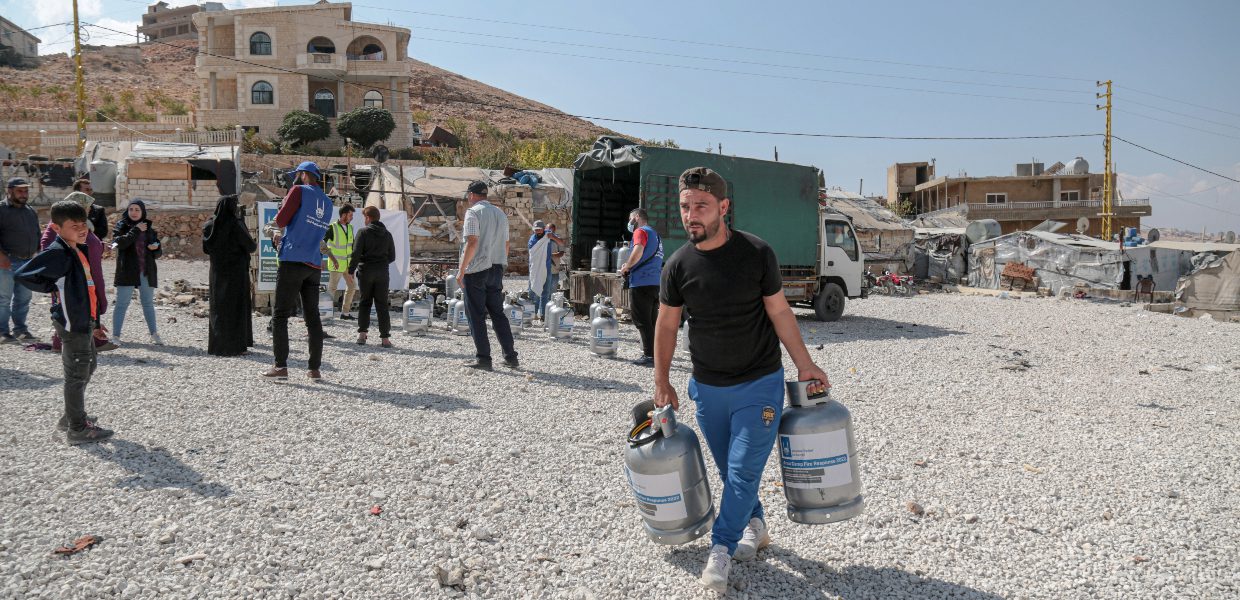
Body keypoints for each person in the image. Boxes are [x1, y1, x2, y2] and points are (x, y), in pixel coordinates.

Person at [653, 167, 830, 593]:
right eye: (684, 207)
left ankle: (720, 547)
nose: (691, 215)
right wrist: (662, 381)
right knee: (734, 474)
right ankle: (757, 525)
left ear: (724, 208)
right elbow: (666, 325)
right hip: (708, 389)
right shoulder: (677, 265)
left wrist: (805, 365)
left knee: (741, 472)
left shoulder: (757, 253)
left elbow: (780, 312)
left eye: (701, 206)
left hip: (759, 384)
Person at [14, 200, 113, 443]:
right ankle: (77, 429)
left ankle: (72, 417)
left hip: (84, 321)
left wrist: (95, 321)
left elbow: (87, 289)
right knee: (76, 374)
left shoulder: (78, 249)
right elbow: (23, 274)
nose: (82, 230)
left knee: (88, 366)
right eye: (74, 226)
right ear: (57, 228)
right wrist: (52, 288)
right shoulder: (58, 253)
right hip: (72, 325)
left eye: (84, 225)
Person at [263, 161, 332, 381]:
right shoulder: (328, 202)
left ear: (303, 175)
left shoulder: (298, 190)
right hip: (313, 263)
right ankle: (314, 369)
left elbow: (282, 219)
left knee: (280, 314)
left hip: (292, 258)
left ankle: (280, 367)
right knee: (312, 317)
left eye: (298, 175)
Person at [40, 192, 117, 352]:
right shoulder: (60, 225)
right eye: (86, 208)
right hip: (72, 275)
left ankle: (88, 340)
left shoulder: (79, 223)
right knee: (70, 308)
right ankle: (65, 344)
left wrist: (101, 246)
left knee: (87, 304)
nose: (89, 211)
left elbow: (87, 242)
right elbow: (48, 246)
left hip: (87, 272)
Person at [458, 180, 518, 370]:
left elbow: (472, 242)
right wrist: (501, 264)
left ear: (471, 195)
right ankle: (510, 356)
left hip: (477, 269)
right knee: (498, 314)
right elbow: (507, 244)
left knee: (476, 314)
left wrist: (461, 270)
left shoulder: (473, 213)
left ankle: (484, 358)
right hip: (497, 267)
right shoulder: (501, 214)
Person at [203, 194, 257, 356]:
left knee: (218, 308)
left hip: (218, 273)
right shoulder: (236, 225)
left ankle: (218, 346)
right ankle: (236, 346)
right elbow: (251, 246)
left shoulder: (209, 225)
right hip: (236, 274)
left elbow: (206, 249)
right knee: (236, 308)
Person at [111, 199, 163, 345]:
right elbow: (119, 243)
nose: (134, 212)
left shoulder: (149, 228)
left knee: (147, 303)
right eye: (131, 209)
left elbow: (158, 253)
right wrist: (136, 229)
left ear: (142, 212)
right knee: (122, 303)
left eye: (137, 210)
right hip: (127, 270)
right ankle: (115, 336)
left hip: (146, 271)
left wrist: (156, 247)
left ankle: (154, 334)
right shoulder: (121, 226)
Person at [618, 208, 663, 366]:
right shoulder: (655, 234)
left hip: (641, 281)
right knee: (651, 321)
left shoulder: (640, 231)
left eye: (631, 219)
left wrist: (627, 267)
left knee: (641, 320)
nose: (630, 222)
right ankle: (656, 354)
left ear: (637, 217)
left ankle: (649, 356)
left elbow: (638, 251)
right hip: (655, 282)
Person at [0, 177, 41, 343]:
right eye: (19, 191)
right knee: (4, 299)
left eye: (26, 191)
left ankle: (21, 330)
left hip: (28, 262)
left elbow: (37, 233)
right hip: (7, 261)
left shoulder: (29, 210)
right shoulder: (1, 209)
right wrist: (1, 256)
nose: (24, 194)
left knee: (24, 299)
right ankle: (2, 332)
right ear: (9, 191)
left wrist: (37, 254)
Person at [350, 206, 395, 347]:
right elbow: (392, 256)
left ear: (368, 218)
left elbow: (356, 253)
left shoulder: (363, 232)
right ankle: (385, 339)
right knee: (382, 304)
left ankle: (362, 335)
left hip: (366, 272)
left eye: (365, 217)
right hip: (382, 272)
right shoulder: (387, 234)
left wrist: (351, 269)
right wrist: (381, 264)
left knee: (365, 302)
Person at [323, 204, 358, 320]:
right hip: (336, 264)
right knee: (332, 289)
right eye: (350, 215)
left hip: (347, 266)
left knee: (352, 286)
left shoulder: (350, 228)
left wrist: (352, 265)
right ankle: (327, 314)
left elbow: (351, 247)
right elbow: (321, 244)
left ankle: (345, 313)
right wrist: (331, 257)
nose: (352, 217)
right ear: (343, 215)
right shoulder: (332, 228)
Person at [526, 220, 551, 319]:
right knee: (532, 291)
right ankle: (531, 314)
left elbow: (561, 242)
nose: (538, 232)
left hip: (546, 269)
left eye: (540, 230)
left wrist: (552, 237)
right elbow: (533, 254)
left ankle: (543, 315)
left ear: (543, 229)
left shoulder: (548, 235)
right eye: (536, 230)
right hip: (535, 269)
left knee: (545, 293)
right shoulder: (532, 240)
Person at [542, 223, 565, 313]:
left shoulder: (557, 239)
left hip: (554, 269)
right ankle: (543, 311)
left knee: (553, 291)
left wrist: (550, 255)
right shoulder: (541, 238)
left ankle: (552, 310)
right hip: (544, 270)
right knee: (544, 291)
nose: (550, 232)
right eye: (548, 230)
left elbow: (561, 253)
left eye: (552, 230)